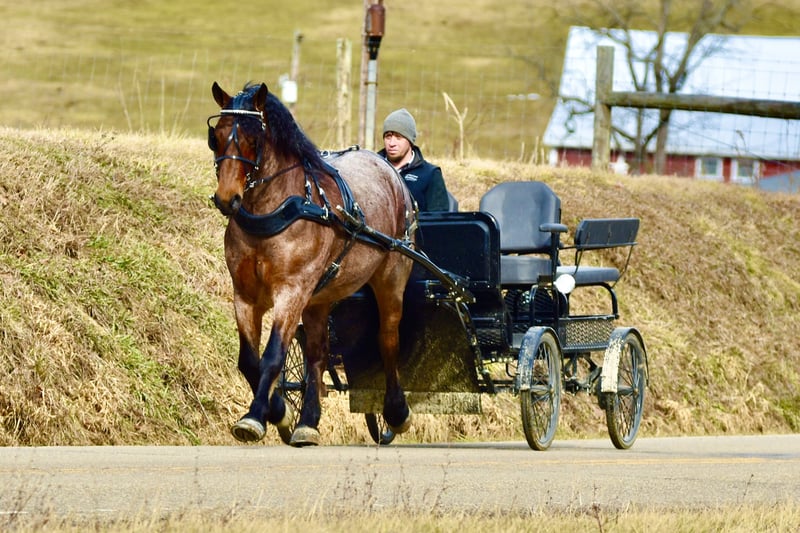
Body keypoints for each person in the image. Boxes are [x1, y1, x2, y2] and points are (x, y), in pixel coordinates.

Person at [378, 108, 451, 211]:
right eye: (388, 136)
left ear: (410, 141)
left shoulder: (430, 175)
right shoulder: (372, 168)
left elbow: (438, 217)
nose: (392, 143)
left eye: (398, 137)